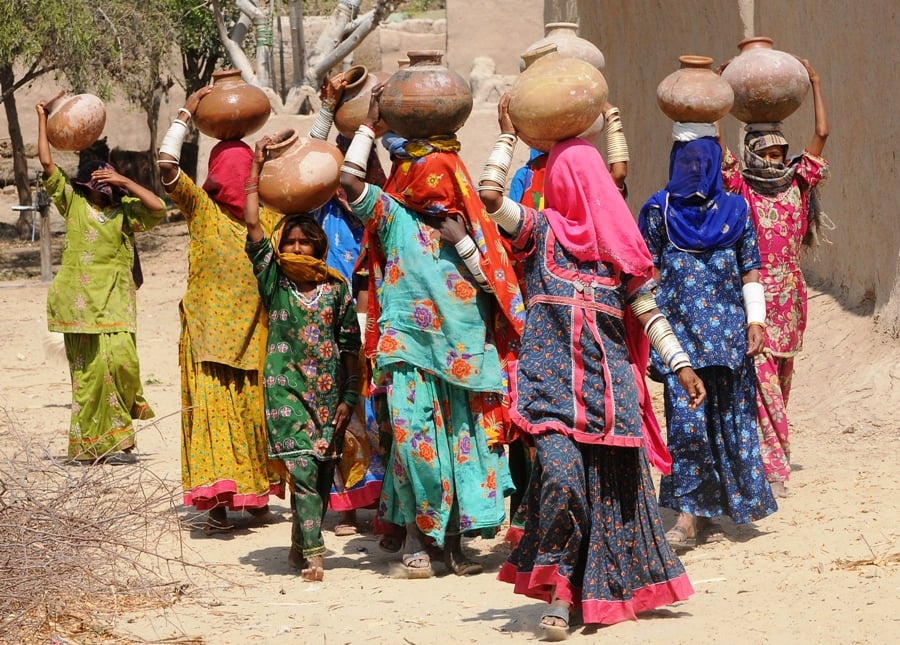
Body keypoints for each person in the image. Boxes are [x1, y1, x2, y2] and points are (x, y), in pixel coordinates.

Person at [480, 95, 706, 640]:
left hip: (610, 398)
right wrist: (508, 138)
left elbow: (648, 312)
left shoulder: (616, 253)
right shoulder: (539, 232)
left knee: (606, 500)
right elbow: (490, 198)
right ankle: (560, 586)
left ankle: (575, 593)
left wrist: (679, 366)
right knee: (561, 482)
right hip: (550, 392)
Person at [339, 87, 524, 579]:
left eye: (443, 175)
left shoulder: (471, 226)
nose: (433, 184)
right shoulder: (392, 216)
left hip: (465, 353)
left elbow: (497, 284)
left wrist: (462, 241)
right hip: (409, 351)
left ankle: (456, 544)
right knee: (413, 443)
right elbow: (349, 181)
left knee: (468, 449)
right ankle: (420, 536)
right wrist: (369, 129)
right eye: (426, 173)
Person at [639, 123, 778, 550]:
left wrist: (756, 320)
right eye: (686, 161)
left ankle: (729, 504)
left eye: (702, 161)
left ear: (715, 163)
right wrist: (651, 331)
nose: (693, 169)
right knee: (687, 425)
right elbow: (647, 273)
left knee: (731, 419)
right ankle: (687, 515)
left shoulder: (736, 210)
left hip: (728, 337)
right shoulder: (658, 211)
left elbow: (751, 266)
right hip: (679, 339)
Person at [157, 87, 282, 533]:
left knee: (251, 418)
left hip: (254, 338)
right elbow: (167, 169)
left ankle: (256, 495)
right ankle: (218, 502)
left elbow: (310, 186)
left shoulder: (268, 219)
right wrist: (185, 113)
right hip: (209, 339)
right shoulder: (202, 211)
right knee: (219, 416)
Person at [243, 134, 361, 580]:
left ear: (317, 247)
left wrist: (350, 396)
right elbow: (254, 224)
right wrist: (256, 168)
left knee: (323, 471)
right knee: (304, 470)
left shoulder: (335, 290)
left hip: (329, 396)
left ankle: (298, 544)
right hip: (285, 392)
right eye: (288, 242)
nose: (293, 248)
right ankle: (315, 554)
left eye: (302, 243)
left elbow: (350, 348)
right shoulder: (274, 282)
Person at [719, 57, 830, 498]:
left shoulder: (798, 183)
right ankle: (774, 466)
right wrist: (719, 96)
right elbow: (718, 145)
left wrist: (816, 80)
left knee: (781, 383)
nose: (772, 160)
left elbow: (821, 135)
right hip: (755, 298)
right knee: (762, 381)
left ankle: (770, 455)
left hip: (792, 297)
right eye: (764, 153)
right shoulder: (741, 187)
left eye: (778, 153)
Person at [36, 99, 166, 466]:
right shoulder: (73, 204)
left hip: (116, 304)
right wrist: (43, 120)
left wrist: (125, 180)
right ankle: (99, 446)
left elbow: (159, 208)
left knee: (123, 365)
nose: (103, 187)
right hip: (78, 304)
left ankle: (119, 430)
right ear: (85, 185)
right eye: (98, 181)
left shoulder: (127, 213)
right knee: (90, 376)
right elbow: (47, 164)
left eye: (109, 181)